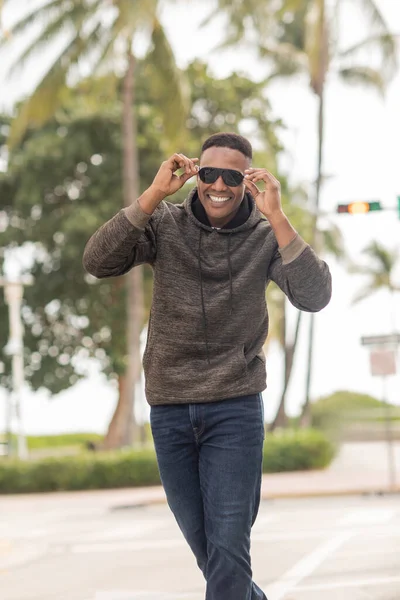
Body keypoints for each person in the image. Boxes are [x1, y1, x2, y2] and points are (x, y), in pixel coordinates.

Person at [83, 132, 332, 600]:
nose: (219, 184)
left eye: (232, 176)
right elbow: (98, 261)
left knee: (229, 552)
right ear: (195, 174)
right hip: (171, 408)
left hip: (234, 410)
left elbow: (314, 296)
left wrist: (276, 216)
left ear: (247, 181)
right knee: (212, 555)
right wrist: (155, 193)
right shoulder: (165, 224)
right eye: (210, 173)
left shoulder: (264, 236)